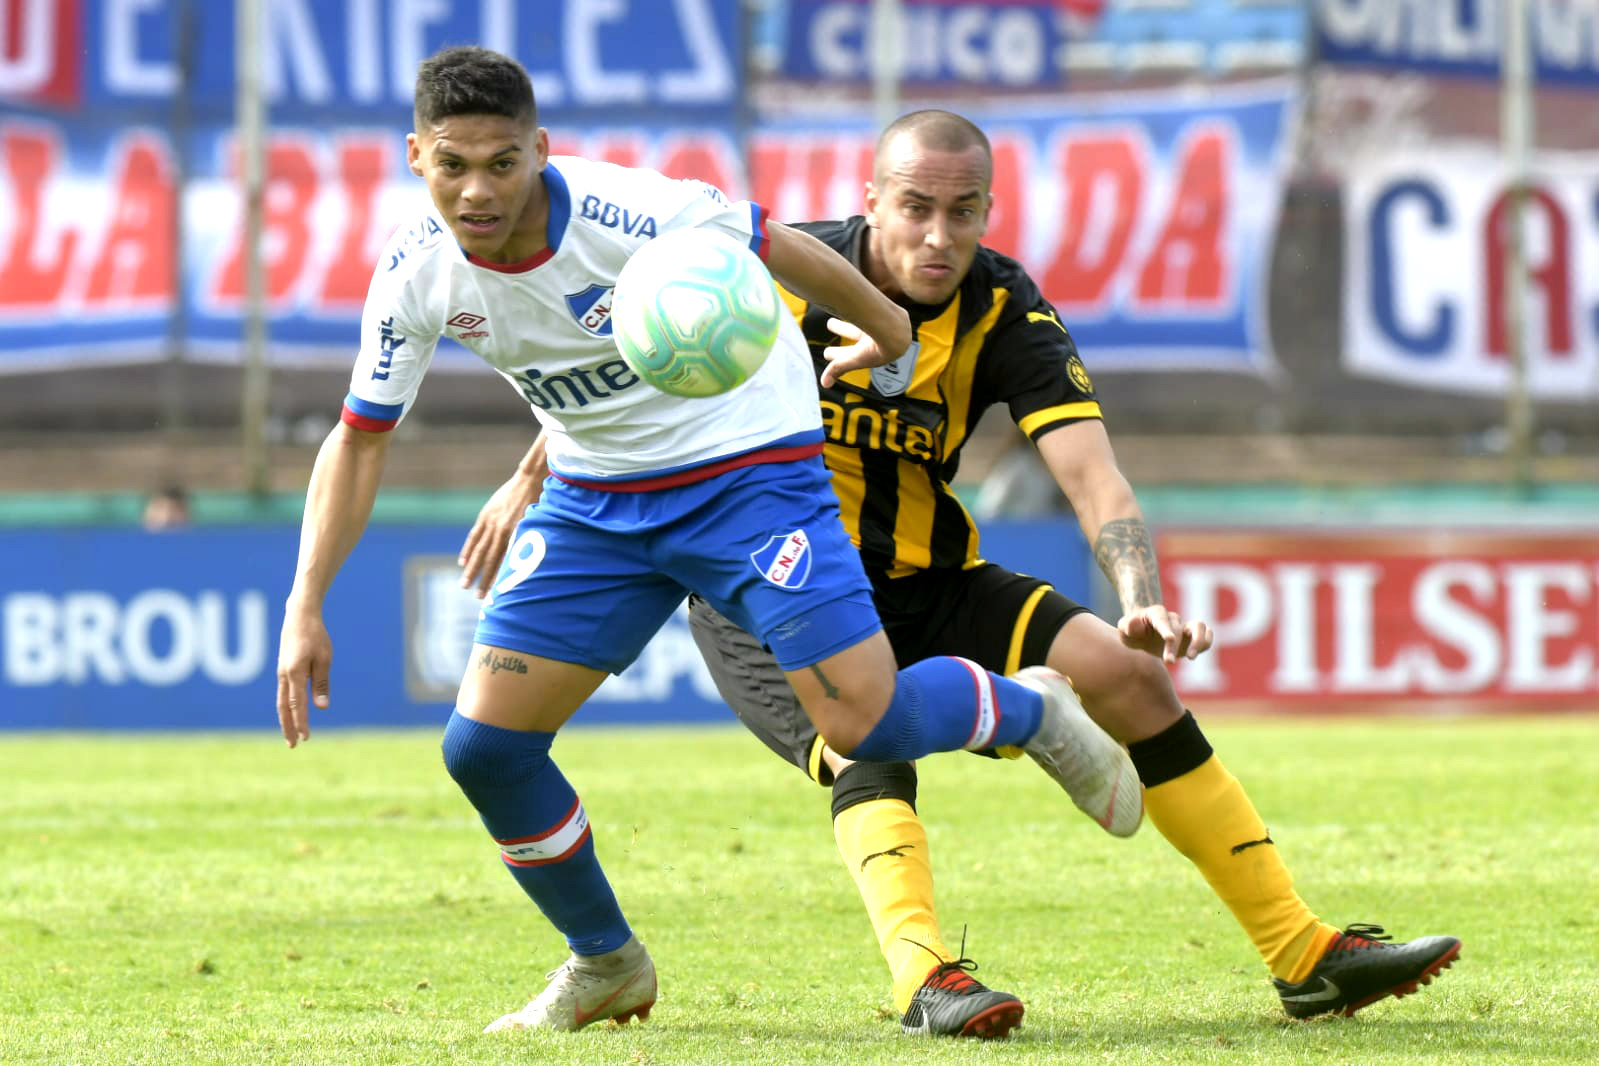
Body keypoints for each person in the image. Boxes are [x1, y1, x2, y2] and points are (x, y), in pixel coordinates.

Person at [275, 49, 1136, 1036]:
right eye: (454, 165)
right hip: (597, 500)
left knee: (862, 723)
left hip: (748, 473)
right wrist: (307, 601)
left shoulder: (626, 214)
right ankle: (605, 962)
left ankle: (1027, 708)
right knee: (486, 748)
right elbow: (358, 439)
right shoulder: (414, 271)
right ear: (416, 156)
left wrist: (889, 326)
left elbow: (779, 245)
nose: (479, 190)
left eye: (503, 163)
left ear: (540, 152)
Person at [672, 111, 1460, 1029]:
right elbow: (637, 377)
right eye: (916, 207)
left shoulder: (1003, 307)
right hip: (769, 592)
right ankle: (924, 978)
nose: (939, 235)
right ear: (871, 200)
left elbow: (1092, 477)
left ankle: (1303, 955)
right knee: (866, 740)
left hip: (932, 577)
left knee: (1129, 675)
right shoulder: (778, 270)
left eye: (964, 211)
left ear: (989, 210)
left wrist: (1141, 601)